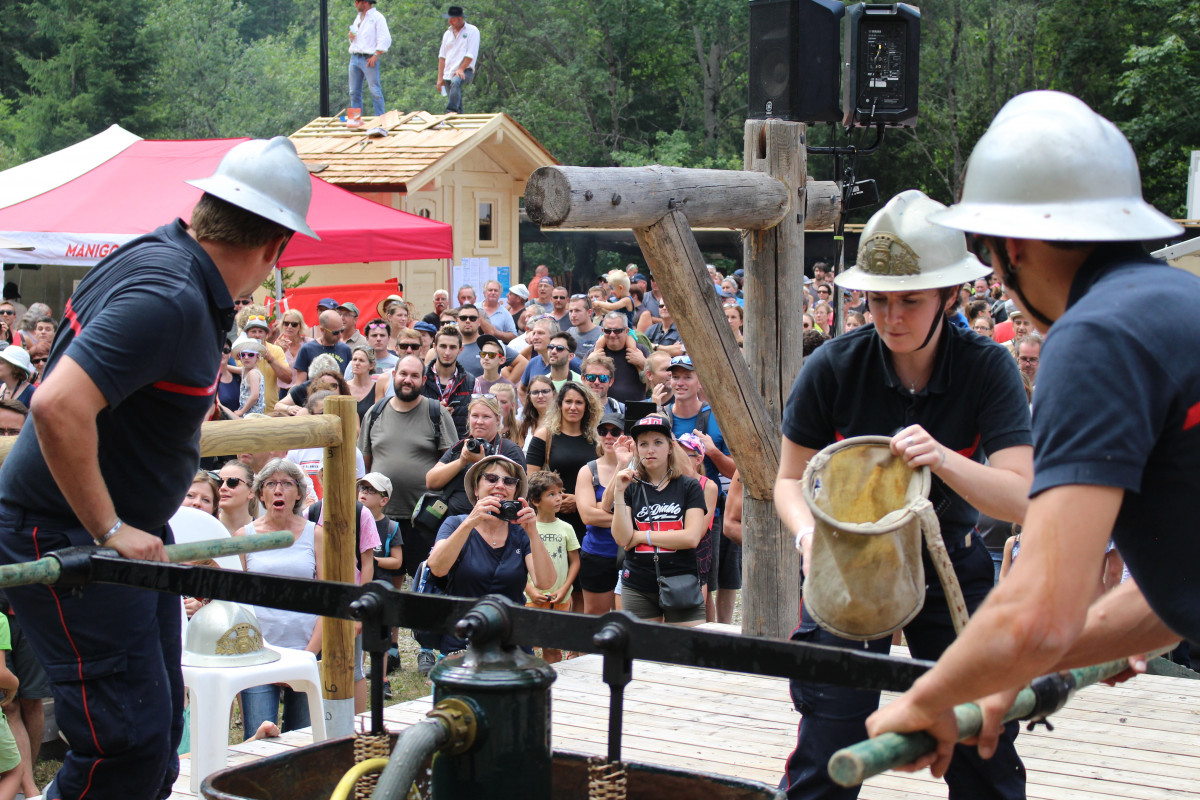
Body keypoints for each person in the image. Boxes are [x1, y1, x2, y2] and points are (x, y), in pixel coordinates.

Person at [862, 91, 1195, 779]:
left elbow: (1041, 605)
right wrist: (1016, 662)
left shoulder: (1098, 336)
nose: (1006, 294)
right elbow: (1169, 602)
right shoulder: (1180, 307)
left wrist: (924, 697)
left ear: (1011, 247)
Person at [0, 136, 316, 800]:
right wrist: (110, 525)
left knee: (156, 736)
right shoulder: (170, 296)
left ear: (207, 204)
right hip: (68, 534)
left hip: (122, 533)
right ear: (275, 248)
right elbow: (56, 405)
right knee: (125, 747)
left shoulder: (163, 257)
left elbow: (131, 400)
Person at [773, 189, 1033, 800]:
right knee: (831, 747)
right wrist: (809, 535)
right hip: (847, 567)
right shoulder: (833, 366)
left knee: (981, 747)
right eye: (877, 300)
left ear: (951, 296)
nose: (891, 317)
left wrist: (943, 460)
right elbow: (788, 480)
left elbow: (1023, 497)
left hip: (950, 570)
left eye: (909, 301)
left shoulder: (988, 368)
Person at [427, 455, 554, 654]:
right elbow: (437, 568)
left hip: (513, 643)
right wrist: (470, 522)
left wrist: (533, 532)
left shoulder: (520, 533)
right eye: (491, 479)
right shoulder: (455, 524)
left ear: (516, 492)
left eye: (509, 481)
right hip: (462, 643)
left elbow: (545, 582)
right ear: (476, 490)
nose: (500, 485)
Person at [235, 459, 324, 737]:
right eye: (271, 484)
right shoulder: (243, 536)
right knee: (258, 740)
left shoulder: (316, 535)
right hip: (257, 654)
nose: (278, 490)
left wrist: (307, 656)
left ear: (298, 493)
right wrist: (257, 649)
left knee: (302, 742)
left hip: (305, 653)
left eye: (287, 483)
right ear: (260, 493)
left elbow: (328, 599)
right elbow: (237, 603)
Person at [603, 414, 708, 625]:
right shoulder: (630, 485)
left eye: (658, 442)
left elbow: (691, 538)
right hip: (637, 584)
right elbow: (623, 539)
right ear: (637, 449)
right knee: (641, 655)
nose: (650, 450)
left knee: (686, 653)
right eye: (643, 444)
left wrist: (641, 536)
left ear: (670, 447)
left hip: (681, 581)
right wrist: (619, 492)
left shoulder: (689, 486)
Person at [527, 381, 602, 549]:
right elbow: (531, 480)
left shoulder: (598, 441)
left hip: (587, 521)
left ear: (587, 407)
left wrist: (580, 501)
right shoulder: (545, 435)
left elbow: (605, 479)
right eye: (568, 401)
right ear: (560, 404)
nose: (573, 407)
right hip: (553, 518)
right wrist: (556, 498)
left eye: (579, 402)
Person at [425, 394, 526, 516]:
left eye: (486, 417)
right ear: (468, 418)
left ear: (498, 419)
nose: (479, 422)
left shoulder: (510, 450)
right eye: (475, 416)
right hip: (454, 519)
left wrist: (481, 463)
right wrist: (462, 461)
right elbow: (431, 482)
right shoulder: (460, 447)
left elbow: (518, 493)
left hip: (492, 520)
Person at [523, 470, 580, 663]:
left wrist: (565, 589)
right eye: (551, 494)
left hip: (560, 598)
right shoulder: (526, 528)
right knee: (526, 646)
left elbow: (575, 562)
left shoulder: (566, 528)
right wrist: (530, 590)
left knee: (554, 648)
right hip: (533, 598)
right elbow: (517, 565)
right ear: (536, 501)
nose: (559, 499)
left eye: (560, 493)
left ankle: (554, 686)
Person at [574, 412, 624, 615]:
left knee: (628, 622)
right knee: (595, 621)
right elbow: (587, 517)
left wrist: (599, 507)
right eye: (603, 431)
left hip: (631, 555)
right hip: (598, 554)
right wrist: (626, 518)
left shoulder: (638, 468)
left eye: (615, 432)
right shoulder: (588, 471)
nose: (609, 437)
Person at [423, 324, 474, 438]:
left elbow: (476, 420)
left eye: (452, 347)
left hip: (458, 446)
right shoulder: (420, 378)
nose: (447, 352)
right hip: (424, 445)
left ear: (460, 349)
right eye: (443, 346)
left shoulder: (471, 382)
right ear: (435, 347)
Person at [348, 0, 391, 119]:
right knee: (353, 92)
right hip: (355, 57)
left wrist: (376, 54)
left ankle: (380, 119)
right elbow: (357, 38)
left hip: (368, 58)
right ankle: (355, 119)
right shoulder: (358, 17)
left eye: (357, 1)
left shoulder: (378, 17)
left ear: (365, 2)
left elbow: (385, 38)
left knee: (375, 91)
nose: (355, 4)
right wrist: (351, 37)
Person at [294, 310, 353, 383]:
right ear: (322, 330)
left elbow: (349, 381)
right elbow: (300, 384)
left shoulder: (345, 349)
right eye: (335, 332)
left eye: (342, 330)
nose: (340, 335)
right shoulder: (307, 349)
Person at [217, 459, 259, 533]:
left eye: (233, 482)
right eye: (219, 482)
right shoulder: (206, 525)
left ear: (251, 492)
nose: (223, 487)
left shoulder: (261, 532)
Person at [232, 336, 266, 417]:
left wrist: (241, 412)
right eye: (243, 355)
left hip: (253, 415)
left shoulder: (253, 374)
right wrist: (224, 367)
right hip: (248, 413)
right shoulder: (245, 370)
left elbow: (254, 396)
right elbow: (237, 369)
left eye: (250, 354)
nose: (246, 357)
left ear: (257, 357)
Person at [346, 345, 379, 419]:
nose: (357, 363)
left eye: (361, 360)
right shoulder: (344, 387)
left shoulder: (377, 389)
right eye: (354, 359)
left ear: (371, 365)